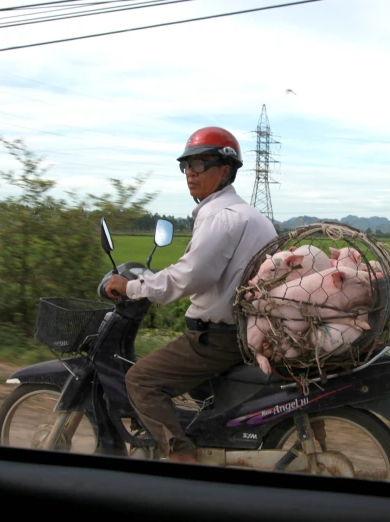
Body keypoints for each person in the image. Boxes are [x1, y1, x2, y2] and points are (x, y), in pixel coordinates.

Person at [98, 126, 278, 464]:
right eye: (186, 166)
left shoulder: (221, 217)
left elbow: (192, 275)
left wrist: (134, 287)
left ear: (225, 170)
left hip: (216, 339)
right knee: (199, 398)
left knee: (141, 380)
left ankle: (180, 458)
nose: (191, 174)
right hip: (247, 332)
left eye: (200, 165)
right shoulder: (251, 216)